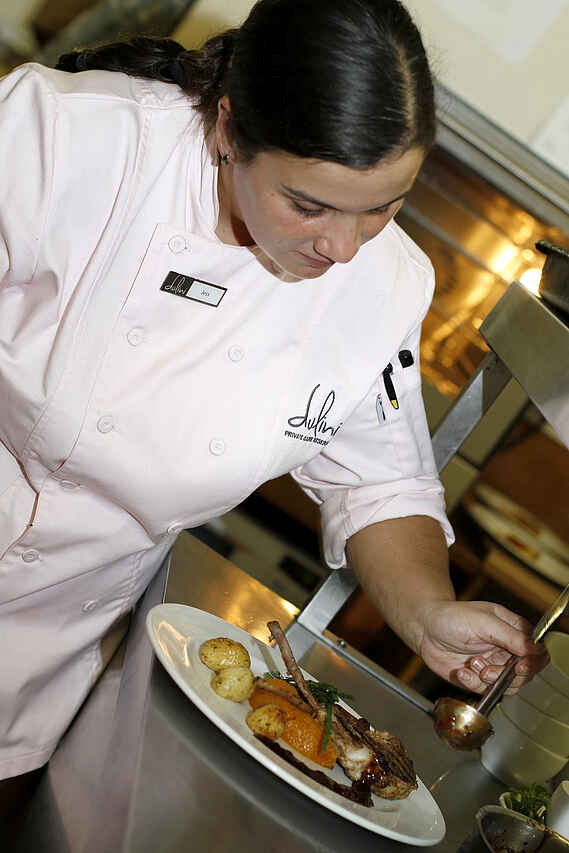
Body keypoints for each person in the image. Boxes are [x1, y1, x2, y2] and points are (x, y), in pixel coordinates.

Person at [0, 0, 546, 781]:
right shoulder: (69, 137)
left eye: (382, 207)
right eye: (307, 205)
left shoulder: (386, 283)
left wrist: (428, 612)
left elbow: (380, 483)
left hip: (37, 662)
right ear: (228, 129)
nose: (343, 246)